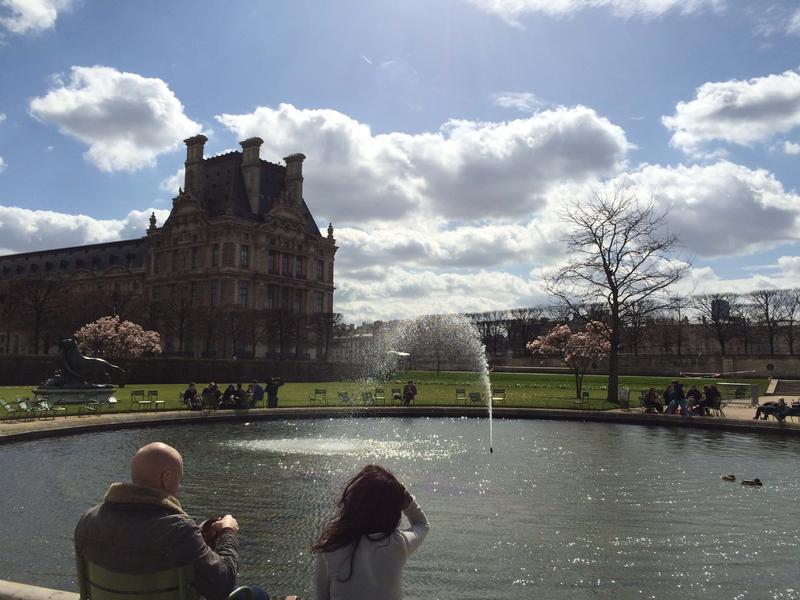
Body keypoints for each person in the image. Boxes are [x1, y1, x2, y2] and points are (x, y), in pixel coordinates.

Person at [74, 442, 247, 600]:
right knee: (254, 594)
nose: (179, 487)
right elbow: (222, 584)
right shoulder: (179, 531)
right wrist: (227, 532)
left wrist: (200, 534)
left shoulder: (88, 521)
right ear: (166, 478)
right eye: (179, 480)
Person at [313, 465, 429, 600]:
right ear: (393, 511)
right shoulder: (398, 544)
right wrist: (407, 498)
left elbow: (322, 596)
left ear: (354, 503)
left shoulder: (331, 547)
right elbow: (422, 524)